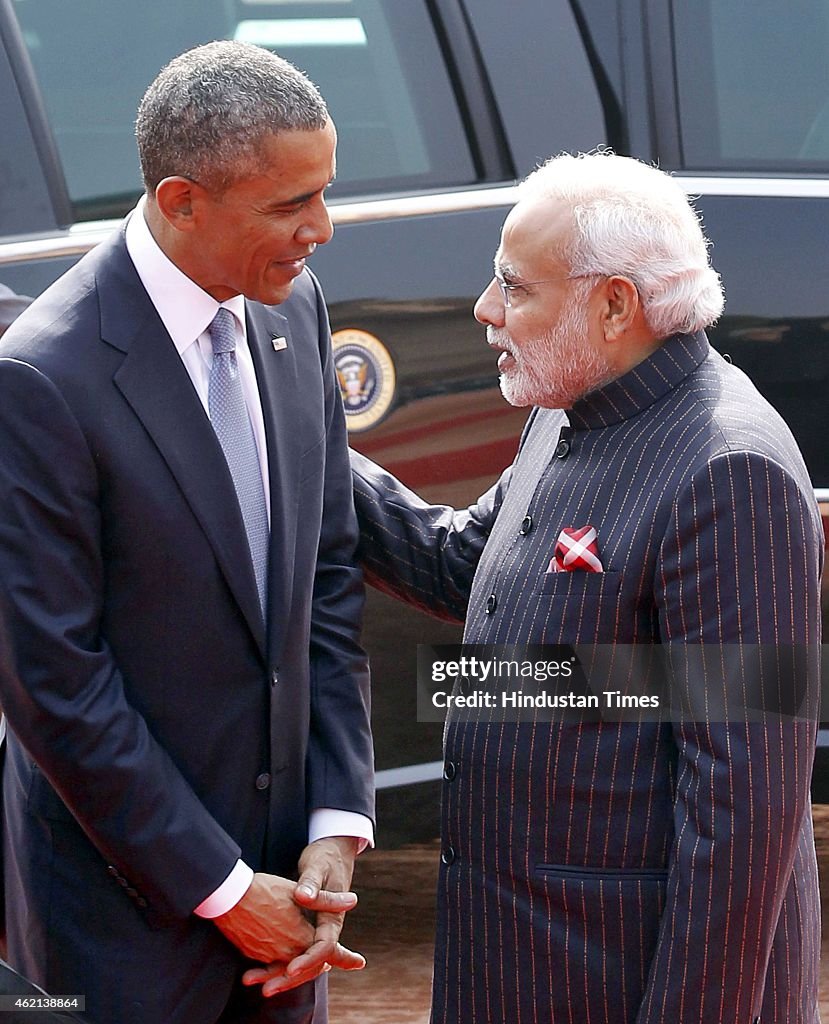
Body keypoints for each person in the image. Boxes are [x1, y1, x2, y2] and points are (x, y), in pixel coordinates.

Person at [351, 152, 823, 1023]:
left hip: (619, 983)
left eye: (514, 288)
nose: (485, 312)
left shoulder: (730, 471)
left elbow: (744, 821)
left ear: (614, 305)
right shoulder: (571, 405)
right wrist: (300, 442)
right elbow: (467, 567)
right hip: (518, 968)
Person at [0, 41, 374, 1024]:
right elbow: (56, 685)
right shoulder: (43, 379)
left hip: (294, 908)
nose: (321, 229)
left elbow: (327, 585)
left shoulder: (292, 314)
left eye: (324, 193)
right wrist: (219, 885)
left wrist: (335, 825)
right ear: (180, 202)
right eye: (291, 204)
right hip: (119, 922)